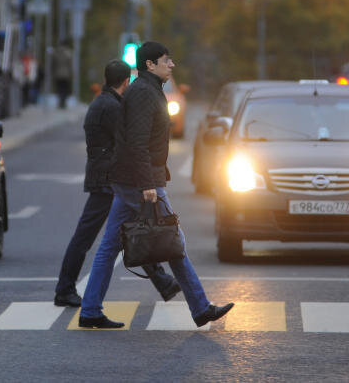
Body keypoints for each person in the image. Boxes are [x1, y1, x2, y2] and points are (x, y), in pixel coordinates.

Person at [78, 42, 235, 328]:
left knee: (110, 246)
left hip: (132, 178)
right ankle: (200, 307)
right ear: (150, 65)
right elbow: (136, 143)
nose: (172, 65)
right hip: (140, 180)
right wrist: (147, 184)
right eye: (166, 61)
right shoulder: (143, 93)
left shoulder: (148, 90)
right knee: (173, 241)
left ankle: (89, 310)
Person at [54, 60, 181, 308]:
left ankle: (162, 280)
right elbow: (128, 141)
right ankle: (65, 289)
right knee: (91, 235)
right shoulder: (111, 107)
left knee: (132, 229)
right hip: (106, 181)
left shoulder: (103, 102)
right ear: (126, 82)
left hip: (105, 178)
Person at [51, 41, 74, 109]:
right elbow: (70, 65)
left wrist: (53, 72)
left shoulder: (56, 53)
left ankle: (60, 101)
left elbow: (53, 64)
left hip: (57, 74)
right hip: (66, 74)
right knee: (65, 89)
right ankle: (63, 103)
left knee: (59, 88)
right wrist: (71, 73)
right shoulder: (68, 53)